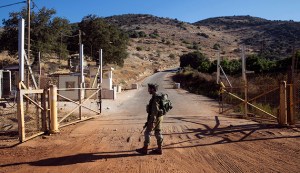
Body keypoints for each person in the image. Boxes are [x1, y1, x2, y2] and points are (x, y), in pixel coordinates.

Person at [136, 83, 164, 155]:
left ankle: (145, 149)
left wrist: (152, 122)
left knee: (147, 132)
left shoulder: (155, 98)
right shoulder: (159, 96)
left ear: (153, 89)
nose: (148, 90)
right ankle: (159, 149)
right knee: (158, 131)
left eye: (149, 89)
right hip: (160, 117)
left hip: (154, 117)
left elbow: (154, 110)